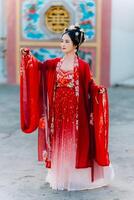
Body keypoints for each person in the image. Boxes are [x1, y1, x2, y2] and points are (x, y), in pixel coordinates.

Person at [20, 24, 114, 191]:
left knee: (75, 142)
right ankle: (60, 175)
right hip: (58, 111)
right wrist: (28, 58)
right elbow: (38, 68)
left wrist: (98, 90)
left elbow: (89, 85)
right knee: (59, 140)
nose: (62, 44)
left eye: (66, 42)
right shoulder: (54, 64)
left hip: (77, 112)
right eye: (61, 41)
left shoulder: (83, 66)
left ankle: (75, 178)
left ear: (75, 45)